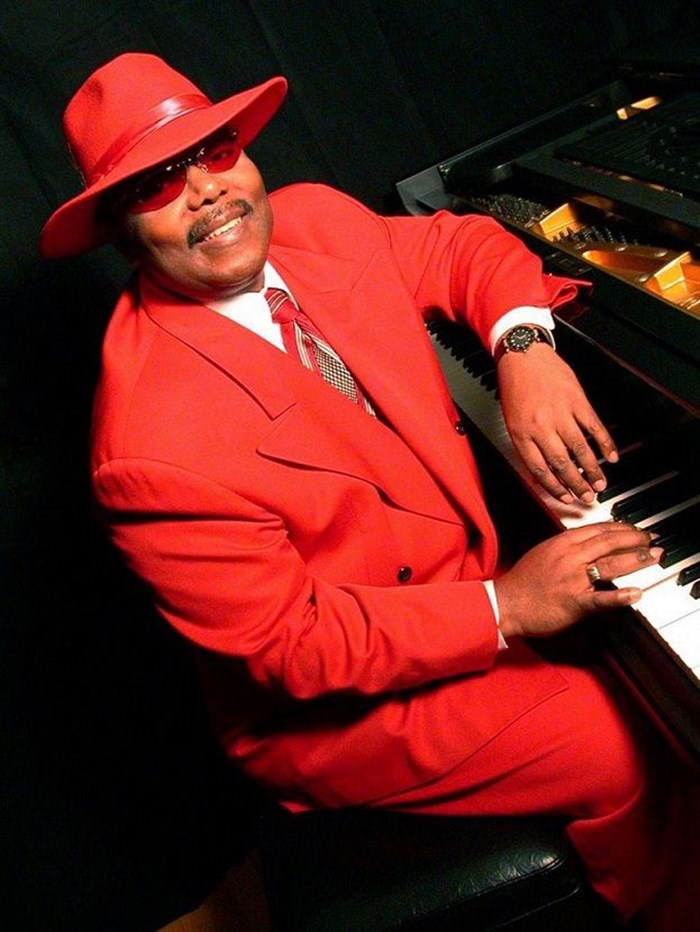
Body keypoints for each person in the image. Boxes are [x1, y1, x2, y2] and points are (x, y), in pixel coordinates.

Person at [41, 53, 697, 929]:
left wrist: (523, 348)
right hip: (338, 712)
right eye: (157, 183)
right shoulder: (147, 447)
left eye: (214, 151)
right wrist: (507, 606)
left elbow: (461, 246)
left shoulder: (317, 222)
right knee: (622, 741)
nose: (206, 190)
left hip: (454, 587)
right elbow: (295, 645)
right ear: (123, 234)